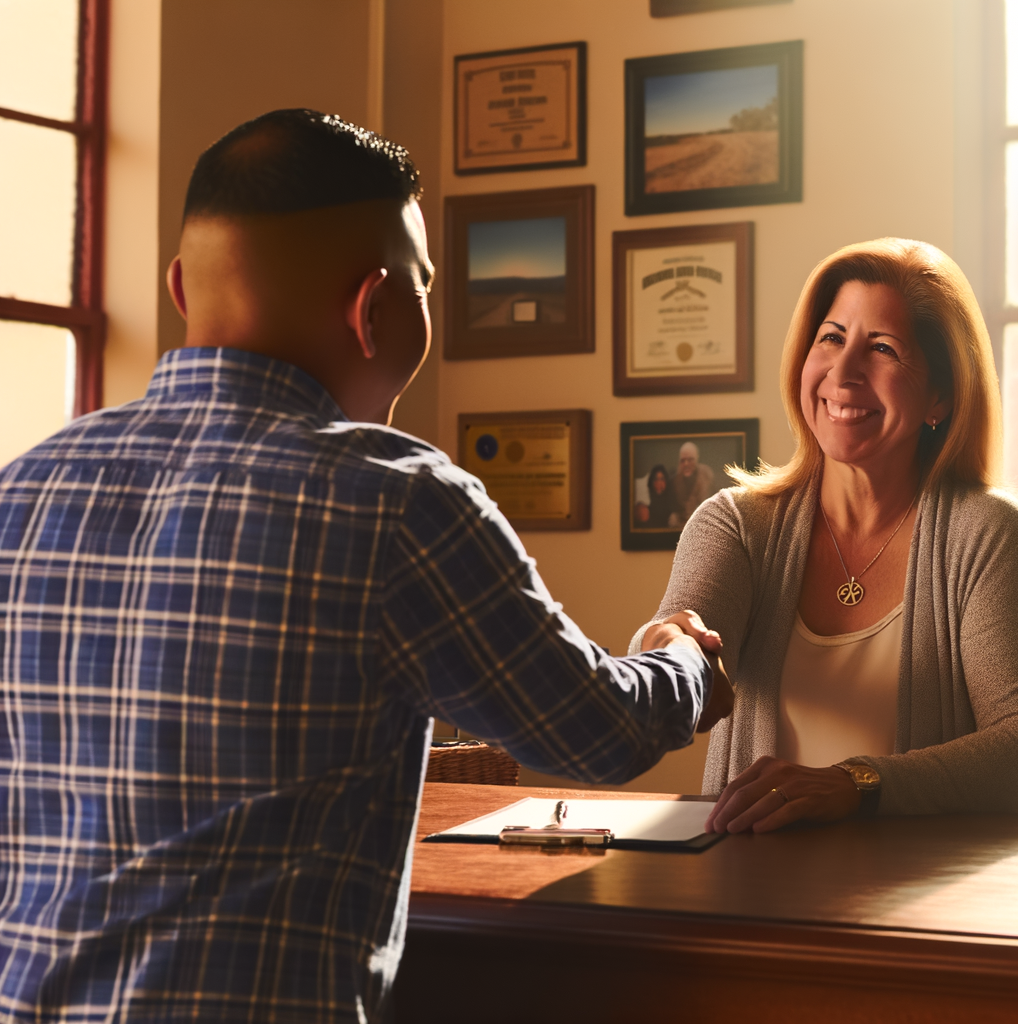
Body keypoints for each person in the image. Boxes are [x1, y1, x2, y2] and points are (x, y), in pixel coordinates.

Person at [0, 109, 731, 1021]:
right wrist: (688, 662)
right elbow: (596, 733)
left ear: (183, 288)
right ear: (375, 307)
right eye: (424, 289)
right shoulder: (397, 502)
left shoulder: (23, 488)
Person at [631, 237, 1018, 834]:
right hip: (750, 881)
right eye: (831, 338)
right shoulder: (735, 525)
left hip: (924, 892)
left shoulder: (988, 533)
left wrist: (854, 783)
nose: (843, 371)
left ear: (939, 395)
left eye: (882, 348)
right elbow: (687, 644)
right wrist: (666, 648)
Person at [668, 440, 714, 527]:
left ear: (697, 458)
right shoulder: (675, 480)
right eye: (683, 460)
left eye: (690, 460)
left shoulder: (706, 475)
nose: (686, 464)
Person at [636, 463, 675, 527]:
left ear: (666, 481)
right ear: (652, 482)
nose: (659, 483)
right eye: (656, 479)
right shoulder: (646, 508)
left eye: (662, 479)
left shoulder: (672, 505)